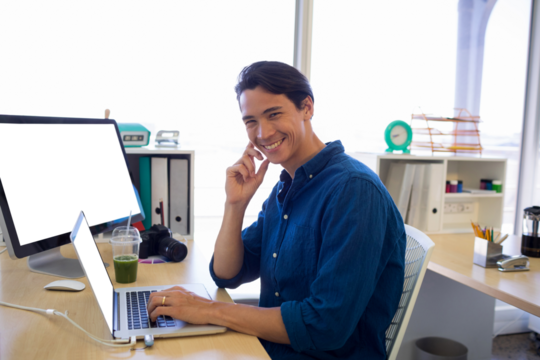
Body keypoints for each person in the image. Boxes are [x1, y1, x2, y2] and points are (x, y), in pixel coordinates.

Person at [147, 61, 406, 359]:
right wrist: (235, 204)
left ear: (306, 107)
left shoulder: (353, 190)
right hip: (269, 349)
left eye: (274, 114)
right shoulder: (285, 189)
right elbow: (226, 273)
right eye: (250, 121)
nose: (263, 132)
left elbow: (324, 326)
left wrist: (209, 310)